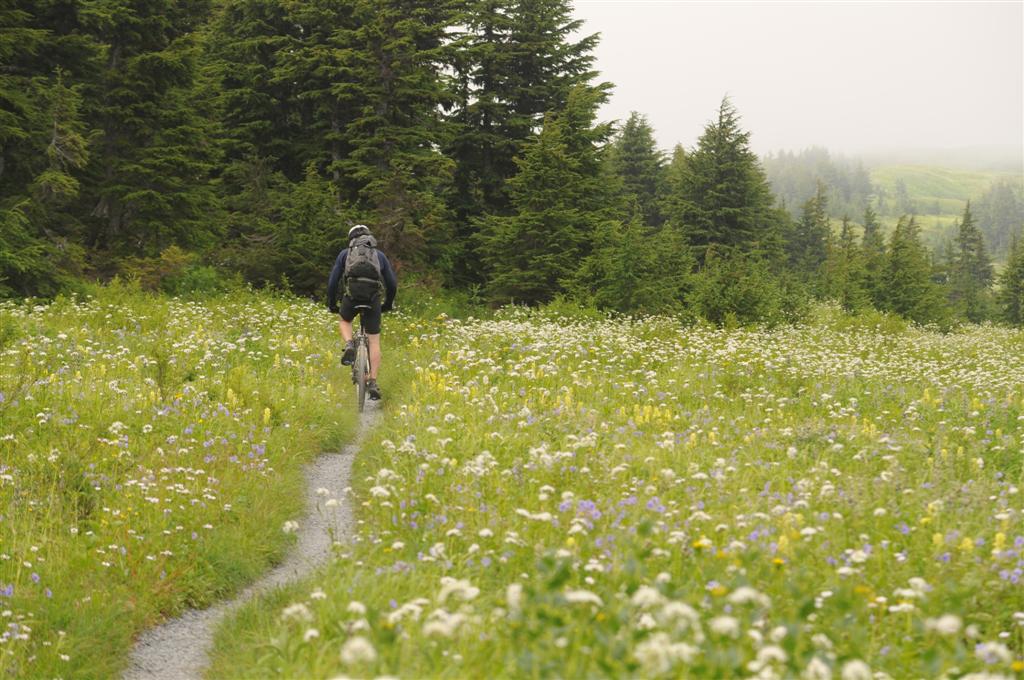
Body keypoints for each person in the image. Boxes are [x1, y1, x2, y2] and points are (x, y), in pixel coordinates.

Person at [327, 225, 397, 400]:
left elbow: (333, 281)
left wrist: (332, 304)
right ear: (369, 238)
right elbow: (392, 283)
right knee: (374, 341)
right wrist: (387, 303)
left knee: (344, 320)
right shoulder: (379, 255)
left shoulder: (345, 254)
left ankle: (350, 344)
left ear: (351, 239)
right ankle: (373, 381)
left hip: (351, 298)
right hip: (372, 299)